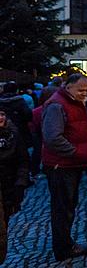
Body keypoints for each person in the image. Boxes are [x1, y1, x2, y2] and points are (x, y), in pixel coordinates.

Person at [42, 73, 87, 261]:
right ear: (67, 87)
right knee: (63, 208)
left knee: (67, 206)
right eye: (81, 90)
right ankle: (63, 248)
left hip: (69, 164)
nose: (84, 93)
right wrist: (76, 152)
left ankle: (65, 243)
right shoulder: (57, 105)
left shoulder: (73, 102)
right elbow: (53, 138)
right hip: (61, 165)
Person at [0, 109, 30, 263]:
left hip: (9, 190)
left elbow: (23, 161)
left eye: (2, 113)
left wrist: (20, 184)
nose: (0, 117)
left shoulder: (13, 134)